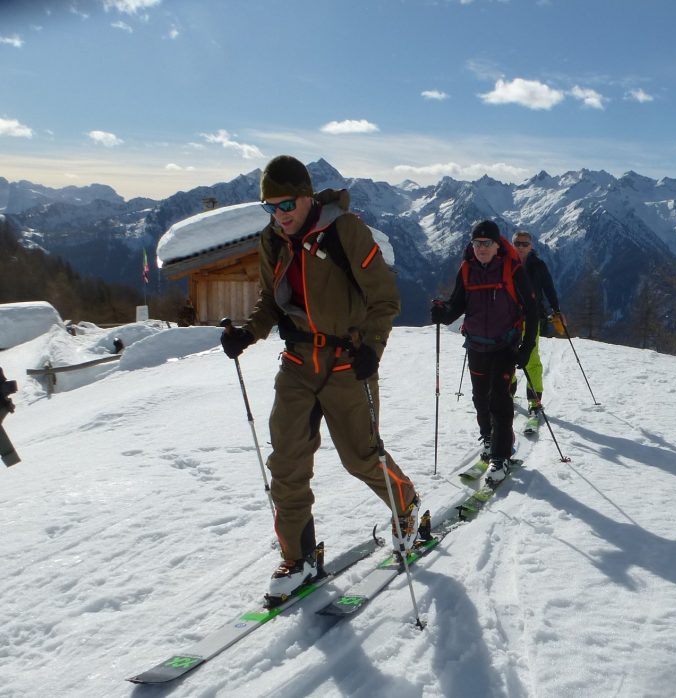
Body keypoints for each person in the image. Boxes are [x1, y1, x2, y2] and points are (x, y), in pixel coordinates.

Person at [219, 154, 419, 601]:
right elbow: (271, 300)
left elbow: (385, 299)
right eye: (270, 206)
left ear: (308, 197)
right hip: (297, 362)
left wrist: (372, 348)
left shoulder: (345, 231)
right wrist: (247, 333)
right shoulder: (272, 240)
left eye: (286, 203)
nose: (280, 214)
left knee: (360, 456)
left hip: (347, 361)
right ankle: (299, 557)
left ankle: (405, 506)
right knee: (287, 462)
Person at [430, 220, 539, 483]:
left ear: (496, 244)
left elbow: (532, 310)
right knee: (480, 398)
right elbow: (457, 305)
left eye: (486, 243)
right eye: (476, 243)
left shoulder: (512, 269)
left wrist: (527, 346)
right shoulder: (467, 270)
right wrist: (442, 313)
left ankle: (500, 457)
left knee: (499, 400)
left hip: (505, 344)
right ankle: (489, 440)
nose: (481, 248)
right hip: (476, 344)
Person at [508, 230, 561, 416]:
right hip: (508, 317)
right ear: (512, 244)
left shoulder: (538, 266)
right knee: (507, 357)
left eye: (525, 244)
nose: (521, 247)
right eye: (518, 243)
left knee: (531, 358)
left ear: (531, 246)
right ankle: (509, 394)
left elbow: (549, 288)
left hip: (531, 318)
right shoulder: (505, 263)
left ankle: (534, 400)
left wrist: (556, 309)